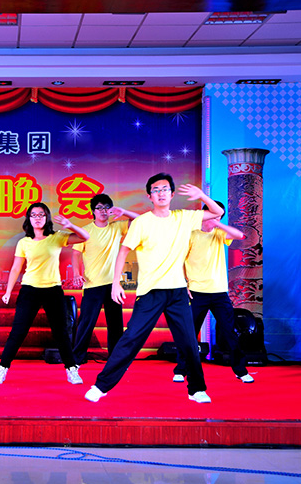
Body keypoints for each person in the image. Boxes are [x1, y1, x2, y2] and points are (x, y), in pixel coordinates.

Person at [85, 173, 223, 404]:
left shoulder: (184, 217)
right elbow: (124, 250)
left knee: (189, 342)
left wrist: (201, 195)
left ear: (172, 193)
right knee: (131, 338)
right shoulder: (142, 222)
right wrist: (116, 282)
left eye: (165, 189)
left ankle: (197, 389)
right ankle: (101, 386)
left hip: (177, 292)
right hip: (150, 292)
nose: (161, 193)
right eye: (156, 190)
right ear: (150, 196)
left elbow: (216, 212)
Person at [0, 202, 90, 386]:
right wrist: (8, 291)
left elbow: (85, 237)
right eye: (34, 215)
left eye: (41, 215)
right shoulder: (24, 242)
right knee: (18, 331)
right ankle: (2, 368)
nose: (37, 218)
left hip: (53, 289)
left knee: (61, 332)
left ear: (47, 218)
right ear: (29, 219)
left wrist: (70, 225)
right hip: (30, 290)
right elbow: (16, 268)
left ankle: (71, 369)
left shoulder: (57, 237)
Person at [174, 200, 254, 383]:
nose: (216, 218)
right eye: (213, 214)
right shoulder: (191, 234)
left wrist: (217, 223)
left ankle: (241, 371)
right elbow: (179, 261)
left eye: (219, 215)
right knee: (189, 332)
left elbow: (240, 235)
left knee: (230, 332)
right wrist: (184, 284)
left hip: (219, 292)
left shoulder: (220, 232)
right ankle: (181, 369)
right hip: (196, 291)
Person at [70, 193, 138, 366]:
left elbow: (140, 221)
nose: (103, 211)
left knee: (115, 324)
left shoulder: (117, 227)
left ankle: (115, 360)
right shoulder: (85, 231)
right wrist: (76, 273)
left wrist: (124, 212)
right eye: (99, 208)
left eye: (107, 208)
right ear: (93, 211)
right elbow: (76, 253)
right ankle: (77, 359)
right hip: (92, 284)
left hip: (113, 285)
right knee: (86, 323)